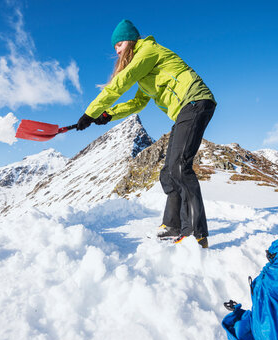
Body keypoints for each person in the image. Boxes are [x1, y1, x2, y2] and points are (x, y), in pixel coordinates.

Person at [76, 19, 216, 248]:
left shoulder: (148, 51)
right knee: (169, 172)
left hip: (195, 101)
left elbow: (121, 82)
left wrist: (91, 112)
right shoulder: (145, 70)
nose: (117, 50)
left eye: (118, 44)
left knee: (180, 166)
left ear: (130, 41)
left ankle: (195, 233)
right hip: (184, 111)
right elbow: (138, 103)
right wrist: (108, 114)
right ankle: (172, 225)